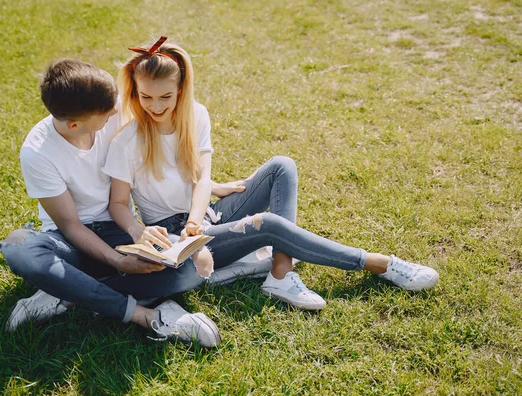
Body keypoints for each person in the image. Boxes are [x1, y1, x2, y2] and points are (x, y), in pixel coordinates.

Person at [104, 36, 439, 311]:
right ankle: (378, 263)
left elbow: (199, 176)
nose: (156, 105)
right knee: (271, 224)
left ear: (181, 89)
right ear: (134, 92)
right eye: (146, 96)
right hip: (174, 235)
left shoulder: (196, 115)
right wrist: (140, 231)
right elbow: (118, 202)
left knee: (282, 166)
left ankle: (280, 270)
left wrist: (199, 216)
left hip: (204, 215)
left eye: (166, 96)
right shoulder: (128, 140)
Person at [0, 58, 222, 347]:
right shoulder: (37, 152)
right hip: (71, 241)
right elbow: (71, 225)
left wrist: (208, 183)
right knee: (20, 248)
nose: (117, 110)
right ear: (76, 124)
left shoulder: (107, 107)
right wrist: (118, 262)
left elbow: (162, 105)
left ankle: (67, 291)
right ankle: (145, 314)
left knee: (191, 267)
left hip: (120, 230)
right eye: (107, 112)